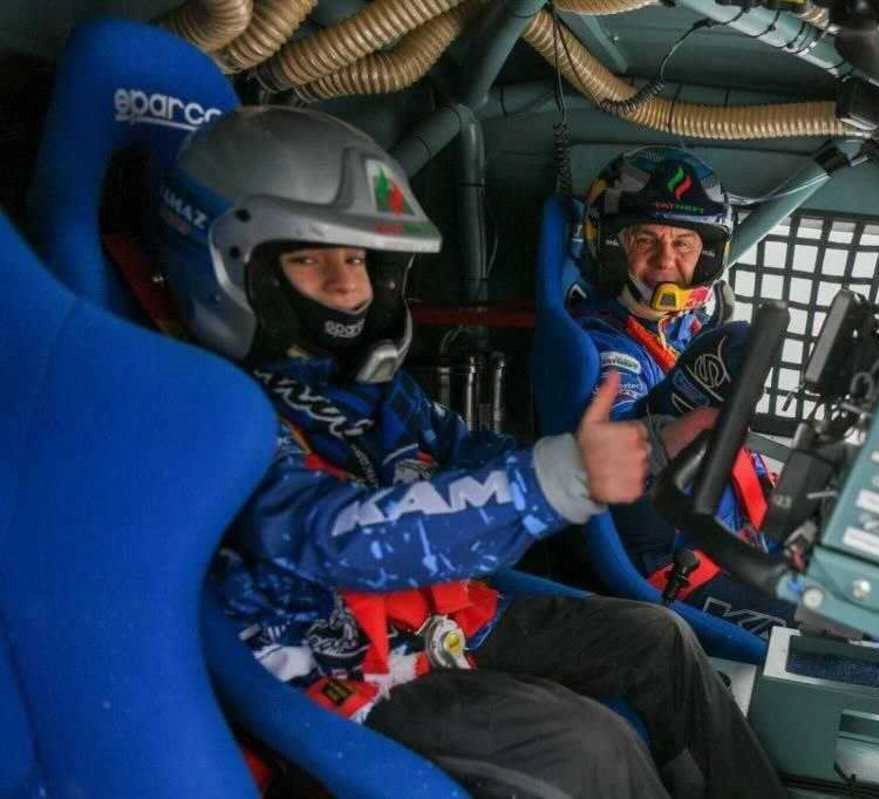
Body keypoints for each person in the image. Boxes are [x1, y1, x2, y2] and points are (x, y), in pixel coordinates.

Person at [156, 106, 787, 799]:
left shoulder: (377, 392)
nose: (348, 287)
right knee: (589, 743)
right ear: (237, 269)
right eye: (309, 260)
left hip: (449, 614)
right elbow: (333, 540)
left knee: (658, 638)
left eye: (357, 259)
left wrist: (647, 445)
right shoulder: (214, 409)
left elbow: (475, 455)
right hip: (351, 672)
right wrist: (558, 480)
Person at [574, 147, 800, 636]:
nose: (666, 261)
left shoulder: (682, 328)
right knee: (863, 640)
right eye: (645, 240)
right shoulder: (600, 345)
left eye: (684, 243)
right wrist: (681, 407)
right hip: (682, 569)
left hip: (746, 533)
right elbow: (621, 464)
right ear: (610, 245)